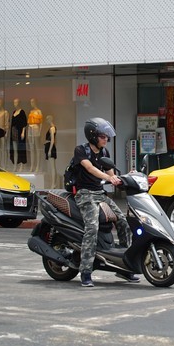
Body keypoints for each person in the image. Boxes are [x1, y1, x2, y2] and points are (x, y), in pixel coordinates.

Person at [73, 117, 138, 287]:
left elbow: (111, 171)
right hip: (85, 194)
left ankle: (124, 267)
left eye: (107, 137)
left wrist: (124, 177)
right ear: (93, 136)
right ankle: (85, 271)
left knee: (123, 222)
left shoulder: (104, 153)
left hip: (100, 194)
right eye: (103, 136)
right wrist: (109, 178)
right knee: (92, 227)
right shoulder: (81, 151)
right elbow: (90, 169)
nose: (106, 139)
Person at [9, 98, 27, 172]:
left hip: (20, 132)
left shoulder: (22, 112)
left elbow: (25, 123)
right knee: (15, 149)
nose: (15, 104)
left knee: (20, 149)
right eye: (14, 102)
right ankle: (15, 165)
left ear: (19, 103)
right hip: (13, 132)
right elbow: (12, 123)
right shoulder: (14, 112)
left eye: (16, 102)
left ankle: (22, 165)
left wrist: (23, 132)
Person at [27, 98, 43, 172]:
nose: (31, 103)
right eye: (31, 102)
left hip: (36, 128)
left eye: (33, 102)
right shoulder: (31, 111)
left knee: (37, 148)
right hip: (30, 128)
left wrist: (40, 131)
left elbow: (41, 123)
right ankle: (32, 166)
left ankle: (38, 166)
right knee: (31, 148)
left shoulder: (39, 111)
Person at [0, 99, 9, 168]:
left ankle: (4, 165)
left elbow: (7, 123)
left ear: (2, 104)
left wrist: (6, 133)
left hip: (2, 130)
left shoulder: (5, 112)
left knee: (3, 149)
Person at [44, 115, 57, 189]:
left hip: (50, 147)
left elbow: (52, 139)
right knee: (52, 166)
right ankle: (53, 183)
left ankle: (53, 184)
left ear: (50, 119)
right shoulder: (52, 128)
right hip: (49, 146)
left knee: (52, 167)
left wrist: (50, 150)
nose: (46, 121)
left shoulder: (52, 128)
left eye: (47, 119)